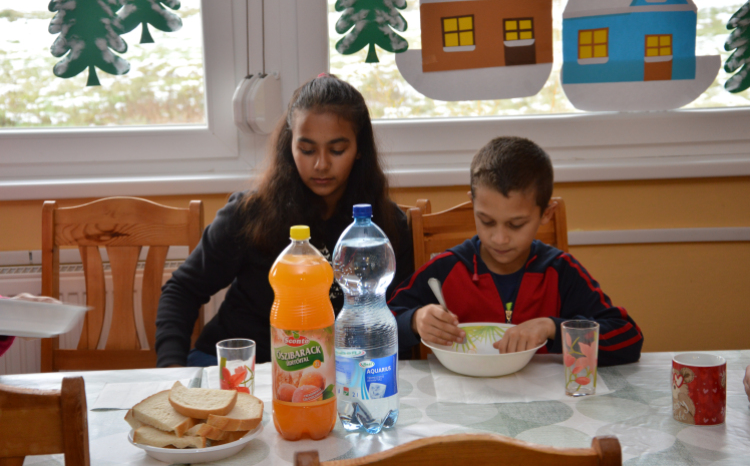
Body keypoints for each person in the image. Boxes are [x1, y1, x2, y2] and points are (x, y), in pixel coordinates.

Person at [155, 74, 414, 367]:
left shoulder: (385, 226)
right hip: (240, 368)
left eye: (337, 150)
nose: (321, 164)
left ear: (359, 150)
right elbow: (182, 290)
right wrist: (170, 369)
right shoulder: (250, 213)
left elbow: (399, 313)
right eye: (307, 149)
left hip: (334, 374)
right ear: (289, 147)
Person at [388, 136, 643, 366]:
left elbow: (628, 338)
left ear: (546, 213)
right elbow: (373, 327)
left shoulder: (561, 271)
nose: (499, 238)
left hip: (544, 405)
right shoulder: (445, 270)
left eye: (516, 224)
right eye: (486, 221)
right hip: (461, 405)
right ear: (472, 203)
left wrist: (552, 327)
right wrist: (414, 320)